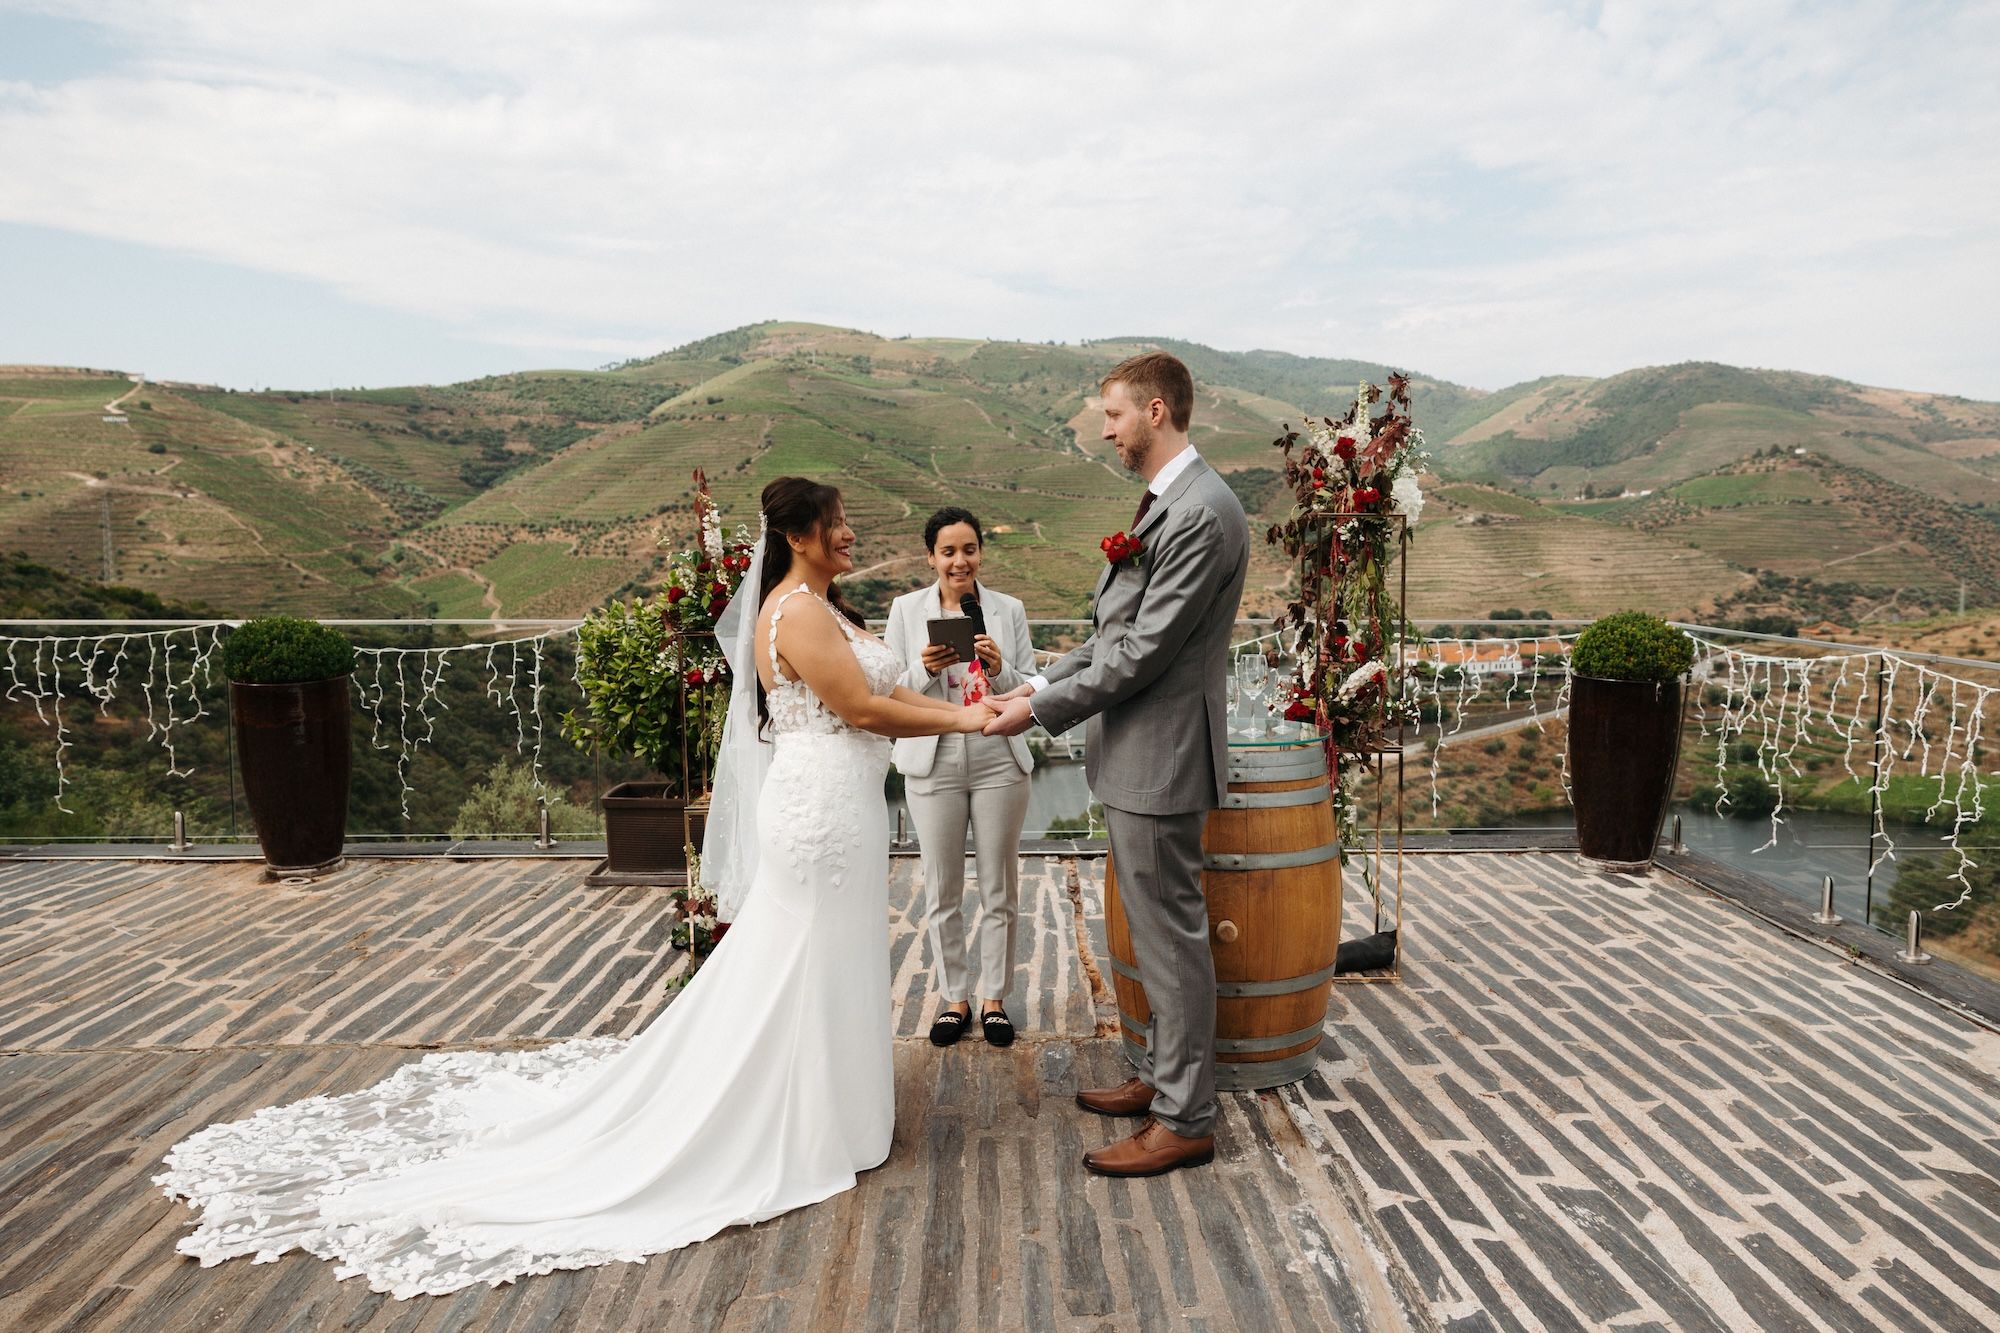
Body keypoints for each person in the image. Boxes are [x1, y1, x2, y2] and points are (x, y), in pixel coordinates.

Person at [154, 477, 995, 1299]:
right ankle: (799, 1117)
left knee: (825, 958)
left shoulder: (825, 605)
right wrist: (965, 718)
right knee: (803, 961)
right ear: (802, 534)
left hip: (837, 808)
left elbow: (876, 690)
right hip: (819, 815)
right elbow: (858, 709)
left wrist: (954, 691)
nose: (851, 534)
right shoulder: (800, 611)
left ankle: (837, 1110)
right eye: (840, 523)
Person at [985, 351, 1248, 1179]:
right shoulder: (1168, 504)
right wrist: (1033, 681)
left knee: (1172, 940)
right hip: (1138, 754)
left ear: (1157, 410)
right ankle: (1162, 1079)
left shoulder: (1202, 514)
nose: (1104, 429)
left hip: (1163, 758)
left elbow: (1139, 652)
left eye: (1112, 414)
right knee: (1156, 933)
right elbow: (1110, 636)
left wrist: (1035, 709)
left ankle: (1186, 1119)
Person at [885, 507, 1035, 1048]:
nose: (959, 561)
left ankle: (994, 999)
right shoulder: (904, 611)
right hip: (933, 758)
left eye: (968, 549)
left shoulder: (1008, 609)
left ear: (980, 553)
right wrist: (925, 669)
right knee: (942, 887)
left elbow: (1029, 686)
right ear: (931, 557)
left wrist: (999, 668)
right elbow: (890, 691)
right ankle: (955, 999)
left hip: (998, 756)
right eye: (948, 551)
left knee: (1000, 885)